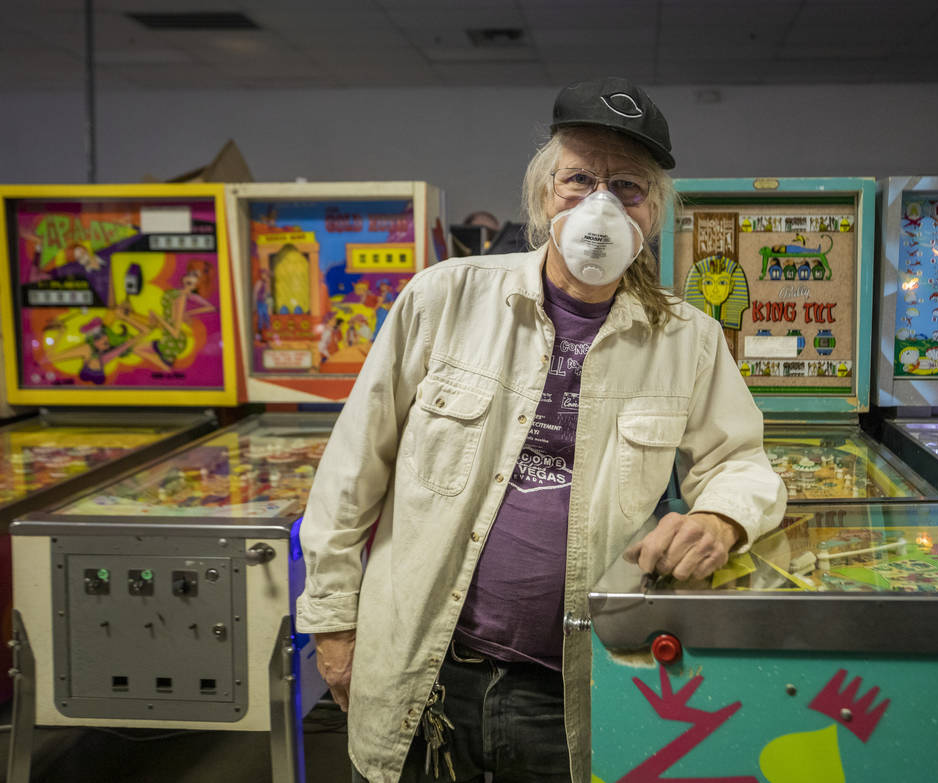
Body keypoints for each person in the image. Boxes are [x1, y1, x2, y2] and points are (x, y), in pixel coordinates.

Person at [296, 77, 786, 783]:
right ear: (541, 194)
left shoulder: (689, 339)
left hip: (574, 684)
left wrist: (720, 514)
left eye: (627, 187)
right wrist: (335, 626)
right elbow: (351, 473)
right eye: (578, 179)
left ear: (653, 214)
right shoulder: (444, 299)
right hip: (425, 668)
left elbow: (742, 461)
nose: (600, 205)